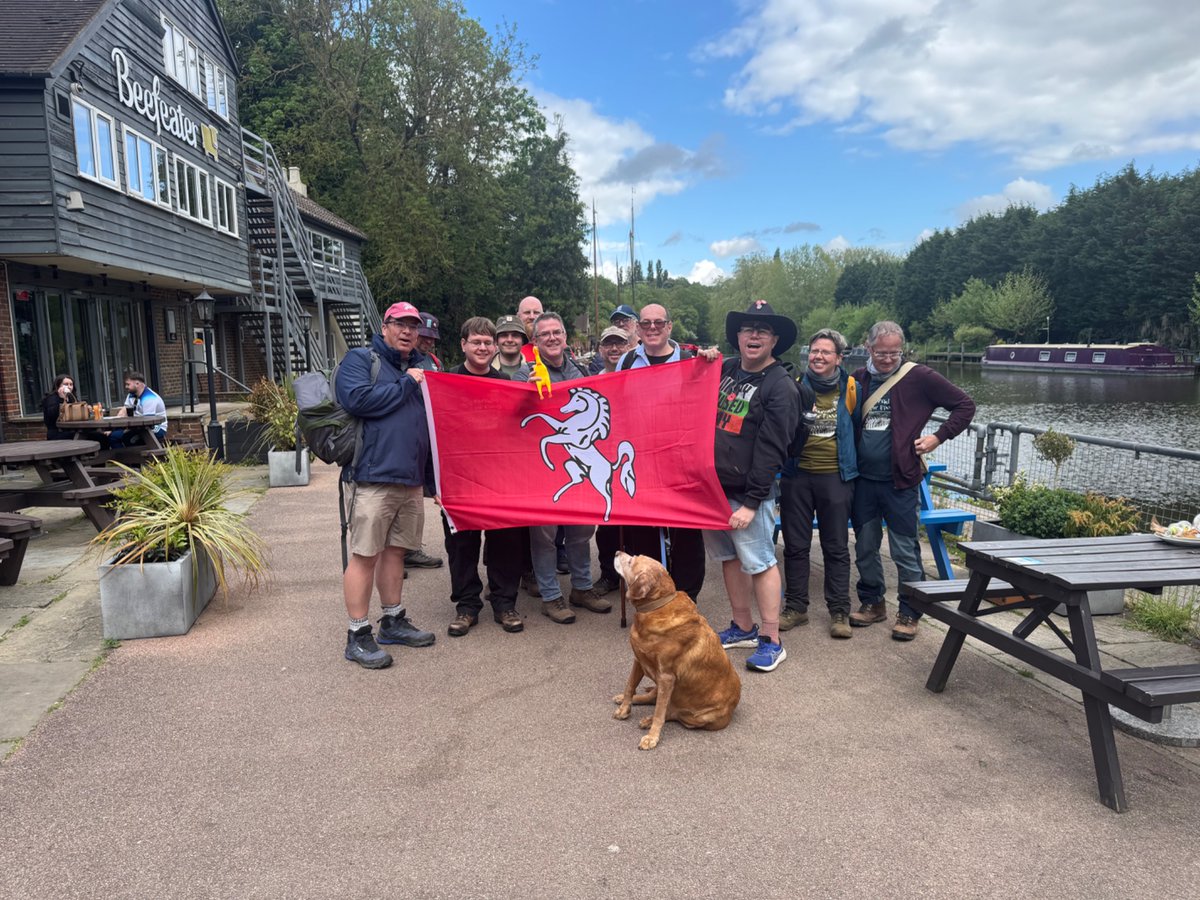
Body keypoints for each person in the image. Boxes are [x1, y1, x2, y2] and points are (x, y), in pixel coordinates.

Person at [848, 321, 976, 641]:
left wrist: (937, 436)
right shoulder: (857, 380)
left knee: (904, 550)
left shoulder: (919, 377)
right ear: (868, 348)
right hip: (863, 481)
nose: (888, 359)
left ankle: (910, 610)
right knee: (864, 547)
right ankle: (873, 602)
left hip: (900, 481)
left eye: (895, 353)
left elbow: (965, 405)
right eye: (881, 352)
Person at [335, 301, 438, 669]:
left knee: (396, 552)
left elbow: (429, 428)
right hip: (373, 477)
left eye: (414, 326)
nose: (408, 331)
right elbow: (358, 400)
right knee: (365, 554)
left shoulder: (420, 366)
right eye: (401, 324)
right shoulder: (362, 361)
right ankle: (357, 634)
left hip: (409, 481)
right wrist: (407, 383)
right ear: (385, 326)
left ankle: (392, 620)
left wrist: (430, 481)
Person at [705, 300, 799, 672]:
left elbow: (772, 449)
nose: (754, 334)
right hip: (714, 489)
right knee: (729, 558)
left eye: (762, 329)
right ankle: (743, 625)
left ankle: (772, 640)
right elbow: (689, 375)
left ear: (774, 339)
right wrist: (703, 357)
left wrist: (752, 502)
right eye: (747, 328)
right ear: (738, 337)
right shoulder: (726, 369)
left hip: (749, 494)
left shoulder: (781, 386)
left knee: (760, 562)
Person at [513, 311, 611, 623]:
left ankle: (581, 588)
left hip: (579, 462)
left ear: (565, 337)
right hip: (544, 469)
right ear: (535, 342)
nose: (552, 338)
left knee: (582, 530)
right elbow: (512, 418)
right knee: (544, 534)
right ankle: (551, 596)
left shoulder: (581, 370)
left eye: (557, 332)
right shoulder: (524, 374)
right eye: (545, 335)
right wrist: (523, 395)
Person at [612, 303, 709, 601]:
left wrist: (712, 359)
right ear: (638, 329)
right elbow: (615, 404)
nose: (652, 328)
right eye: (646, 323)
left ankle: (686, 595)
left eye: (659, 323)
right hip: (640, 458)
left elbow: (705, 402)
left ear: (669, 326)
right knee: (641, 530)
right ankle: (651, 592)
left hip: (680, 457)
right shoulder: (627, 362)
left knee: (685, 528)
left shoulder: (691, 360)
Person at [441, 317, 525, 636]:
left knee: (506, 543)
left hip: (499, 479)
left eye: (488, 342)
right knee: (462, 545)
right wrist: (435, 482)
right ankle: (467, 607)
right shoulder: (444, 382)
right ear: (463, 345)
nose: (482, 347)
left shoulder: (507, 384)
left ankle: (505, 604)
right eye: (476, 341)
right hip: (459, 479)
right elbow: (431, 433)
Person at [779, 329, 859, 639]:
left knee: (836, 546)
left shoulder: (852, 389)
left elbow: (860, 426)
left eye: (826, 352)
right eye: (814, 351)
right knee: (795, 546)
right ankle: (797, 607)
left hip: (835, 476)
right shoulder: (794, 386)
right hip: (797, 474)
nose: (819, 357)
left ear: (839, 358)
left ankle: (839, 610)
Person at [109, 371, 167, 447]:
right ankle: (121, 458)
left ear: (137, 384)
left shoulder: (149, 398)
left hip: (155, 428)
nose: (126, 387)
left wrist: (127, 430)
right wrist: (115, 428)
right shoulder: (131, 394)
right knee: (113, 436)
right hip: (138, 426)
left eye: (128, 384)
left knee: (128, 438)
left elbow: (147, 422)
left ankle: (134, 457)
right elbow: (125, 409)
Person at [587, 304, 639, 374]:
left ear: (637, 324)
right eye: (616, 321)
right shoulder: (599, 361)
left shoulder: (648, 351)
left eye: (626, 320)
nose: (621, 324)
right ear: (600, 349)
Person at [42, 374, 77, 441]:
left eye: (71, 384)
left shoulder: (71, 397)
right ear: (58, 386)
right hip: (57, 432)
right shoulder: (52, 398)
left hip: (71, 430)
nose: (69, 387)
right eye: (66, 384)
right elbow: (52, 415)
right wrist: (61, 399)